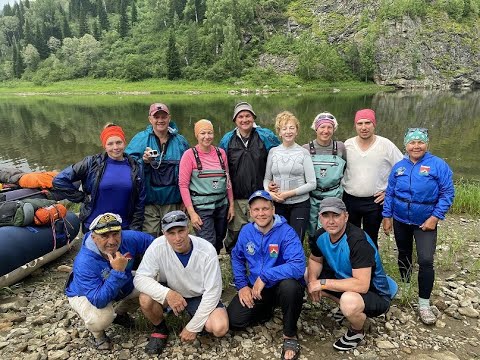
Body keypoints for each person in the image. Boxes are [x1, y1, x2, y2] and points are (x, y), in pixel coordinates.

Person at [382, 128, 454, 325]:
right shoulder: (399, 167)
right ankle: (405, 288)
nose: (416, 146)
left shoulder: (438, 165)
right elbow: (390, 193)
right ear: (406, 145)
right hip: (400, 219)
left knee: (425, 260)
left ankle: (424, 303)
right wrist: (386, 216)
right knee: (404, 253)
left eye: (420, 142)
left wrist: (435, 217)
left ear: (426, 144)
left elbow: (447, 193)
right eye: (412, 143)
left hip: (426, 222)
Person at [307, 197, 397, 351]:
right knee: (306, 274)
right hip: (346, 279)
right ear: (320, 217)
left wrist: (322, 284)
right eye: (326, 216)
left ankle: (357, 330)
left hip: (375, 292)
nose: (331, 221)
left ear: (346, 216)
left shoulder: (357, 241)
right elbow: (315, 259)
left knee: (349, 302)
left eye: (336, 215)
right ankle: (345, 308)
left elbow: (362, 285)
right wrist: (312, 282)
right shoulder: (320, 235)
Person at [133, 210, 229, 355]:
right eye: (171, 233)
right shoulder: (157, 246)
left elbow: (213, 291)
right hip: (171, 289)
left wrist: (193, 327)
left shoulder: (207, 250)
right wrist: (167, 293)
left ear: (188, 228)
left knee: (219, 327)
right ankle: (160, 329)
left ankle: (193, 315)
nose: (177, 238)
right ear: (164, 233)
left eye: (181, 231)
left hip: (198, 295)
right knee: (145, 298)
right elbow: (140, 278)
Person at [228, 190, 305, 360]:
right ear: (250, 212)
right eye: (256, 209)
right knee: (235, 321)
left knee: (290, 287)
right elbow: (237, 257)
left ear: (273, 210)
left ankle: (290, 335)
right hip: (258, 288)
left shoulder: (286, 232)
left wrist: (265, 276)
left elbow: (298, 266)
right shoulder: (246, 231)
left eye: (265, 208)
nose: (261, 213)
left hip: (281, 285)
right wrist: (242, 286)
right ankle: (267, 310)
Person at [65, 213, 154, 350]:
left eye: (115, 234)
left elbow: (156, 245)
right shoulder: (84, 262)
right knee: (101, 317)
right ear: (94, 238)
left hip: (120, 284)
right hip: (87, 293)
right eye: (104, 236)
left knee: (154, 281)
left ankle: (120, 314)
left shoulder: (128, 238)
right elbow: (98, 300)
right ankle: (98, 335)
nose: (112, 241)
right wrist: (118, 272)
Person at [54, 124, 145, 234]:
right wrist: (82, 197)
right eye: (110, 144)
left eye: (118, 142)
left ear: (124, 143)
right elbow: (59, 180)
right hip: (93, 226)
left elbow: (140, 201)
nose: (115, 147)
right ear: (104, 146)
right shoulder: (91, 163)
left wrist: (135, 229)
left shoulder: (135, 167)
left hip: (123, 227)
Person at [219, 102, 280, 252]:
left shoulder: (266, 136)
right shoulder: (227, 139)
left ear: (253, 118)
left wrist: (274, 181)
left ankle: (259, 257)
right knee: (235, 231)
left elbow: (279, 159)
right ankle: (233, 256)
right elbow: (222, 167)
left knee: (260, 229)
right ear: (235, 120)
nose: (244, 119)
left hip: (260, 194)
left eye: (248, 116)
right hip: (237, 196)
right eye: (240, 116)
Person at [125, 103, 190, 237]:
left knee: (174, 237)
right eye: (156, 117)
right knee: (151, 238)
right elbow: (126, 165)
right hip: (149, 202)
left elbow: (189, 173)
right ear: (150, 119)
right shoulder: (140, 139)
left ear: (169, 118)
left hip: (173, 201)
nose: (160, 120)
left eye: (163, 117)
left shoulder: (180, 141)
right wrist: (143, 161)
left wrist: (186, 200)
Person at [341, 109, 402, 247]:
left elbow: (403, 170)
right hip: (350, 199)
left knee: (371, 237)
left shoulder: (386, 145)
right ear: (355, 126)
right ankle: (352, 266)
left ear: (374, 124)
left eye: (368, 123)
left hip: (375, 201)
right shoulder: (347, 145)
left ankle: (372, 267)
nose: (364, 127)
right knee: (351, 237)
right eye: (360, 123)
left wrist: (389, 192)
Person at [179, 119, 234, 254]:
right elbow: (183, 185)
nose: (207, 136)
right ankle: (206, 271)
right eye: (203, 133)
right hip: (202, 208)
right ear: (196, 135)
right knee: (207, 242)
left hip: (221, 206)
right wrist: (192, 213)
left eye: (210, 133)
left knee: (219, 239)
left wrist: (231, 205)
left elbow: (228, 180)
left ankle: (212, 267)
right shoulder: (189, 155)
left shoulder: (221, 153)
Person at [264, 111, 316, 242]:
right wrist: (268, 192)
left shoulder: (304, 153)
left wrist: (288, 194)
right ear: (279, 132)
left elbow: (312, 183)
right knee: (277, 239)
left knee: (295, 239)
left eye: (292, 128)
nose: (288, 131)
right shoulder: (273, 152)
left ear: (297, 131)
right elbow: (267, 179)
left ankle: (296, 262)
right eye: (284, 128)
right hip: (278, 203)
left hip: (299, 204)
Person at [302, 112, 347, 241]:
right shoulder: (305, 148)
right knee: (312, 228)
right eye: (322, 127)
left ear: (334, 129)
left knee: (330, 228)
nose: (325, 131)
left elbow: (345, 168)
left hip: (334, 195)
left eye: (329, 127)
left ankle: (329, 254)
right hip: (312, 196)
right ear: (316, 128)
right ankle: (314, 253)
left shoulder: (340, 147)